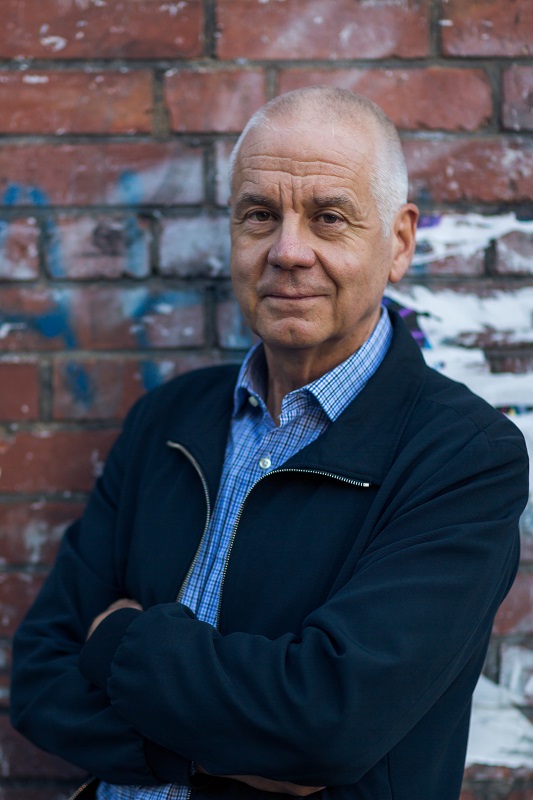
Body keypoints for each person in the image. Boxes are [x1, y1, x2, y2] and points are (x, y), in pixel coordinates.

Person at [10, 87, 529, 800]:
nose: (288, 251)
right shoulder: (166, 420)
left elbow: (325, 726)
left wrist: (116, 642)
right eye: (259, 215)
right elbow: (40, 676)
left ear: (399, 242)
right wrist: (208, 753)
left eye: (329, 218)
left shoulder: (463, 456)